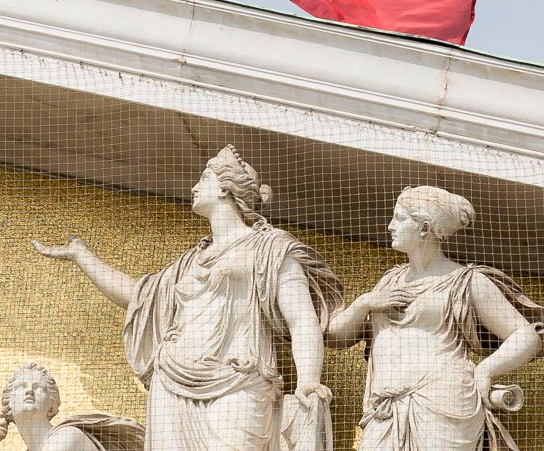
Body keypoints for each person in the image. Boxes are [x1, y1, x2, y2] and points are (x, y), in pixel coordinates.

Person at [32, 145, 343, 451]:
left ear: (224, 188)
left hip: (238, 380)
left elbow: (301, 318)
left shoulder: (271, 248)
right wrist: (82, 256)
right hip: (172, 381)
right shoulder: (189, 263)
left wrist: (308, 379)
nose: (194, 187)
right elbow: (137, 296)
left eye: (203, 179)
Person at [324, 185, 544, 451]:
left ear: (424, 228)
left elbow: (526, 336)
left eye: (399, 218)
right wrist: (365, 302)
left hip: (444, 402)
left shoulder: (466, 282)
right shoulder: (388, 282)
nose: (390, 226)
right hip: (385, 407)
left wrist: (485, 370)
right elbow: (333, 336)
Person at [0, 363, 142, 451]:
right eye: (21, 386)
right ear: (9, 406)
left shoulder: (65, 437)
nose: (29, 391)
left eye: (39, 387)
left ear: (52, 406)